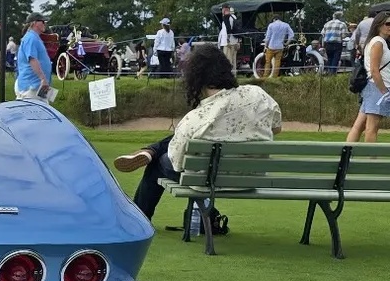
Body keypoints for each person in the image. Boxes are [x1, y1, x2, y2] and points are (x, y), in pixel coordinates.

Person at [113, 45, 282, 220]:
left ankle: (139, 217)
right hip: (252, 177)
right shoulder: (258, 94)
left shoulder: (195, 119)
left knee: (158, 163)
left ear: (195, 77)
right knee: (200, 143)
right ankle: (151, 151)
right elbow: (276, 128)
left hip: (208, 180)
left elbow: (177, 162)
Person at [345, 10, 390, 144]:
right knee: (372, 127)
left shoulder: (377, 41)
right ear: (378, 25)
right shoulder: (378, 43)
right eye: (387, 24)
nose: (389, 27)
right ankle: (371, 160)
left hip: (373, 87)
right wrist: (384, 91)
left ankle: (346, 156)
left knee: (359, 126)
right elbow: (375, 70)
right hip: (378, 87)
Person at [14, 12, 53, 100]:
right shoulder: (31, 38)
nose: (45, 24)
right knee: (32, 112)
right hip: (31, 86)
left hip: (38, 86)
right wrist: (43, 79)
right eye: (43, 21)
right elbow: (32, 59)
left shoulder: (35, 37)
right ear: (35, 23)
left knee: (44, 110)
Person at [262, 13, 295, 78]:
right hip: (280, 46)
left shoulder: (271, 25)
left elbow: (268, 37)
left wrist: (266, 45)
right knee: (277, 62)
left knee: (268, 62)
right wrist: (287, 43)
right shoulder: (286, 25)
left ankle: (265, 76)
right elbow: (292, 35)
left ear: (274, 19)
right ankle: (275, 76)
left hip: (271, 46)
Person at [217, 5, 239, 71]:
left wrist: (227, 40)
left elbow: (228, 29)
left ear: (225, 9)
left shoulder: (227, 17)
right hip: (234, 41)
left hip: (228, 43)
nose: (222, 11)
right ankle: (233, 75)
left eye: (222, 9)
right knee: (233, 60)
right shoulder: (234, 17)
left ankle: (228, 76)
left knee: (228, 61)